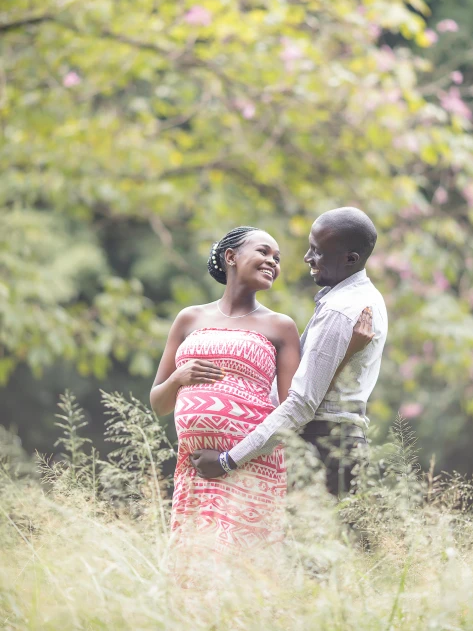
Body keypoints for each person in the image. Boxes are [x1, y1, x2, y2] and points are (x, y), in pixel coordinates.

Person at [150, 225, 372, 550]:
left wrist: (348, 350)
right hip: (195, 466)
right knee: (192, 560)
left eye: (277, 258)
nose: (273, 261)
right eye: (264, 252)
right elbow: (158, 403)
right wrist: (179, 378)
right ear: (231, 257)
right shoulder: (189, 318)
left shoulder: (280, 327)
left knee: (243, 568)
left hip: (250, 464)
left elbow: (297, 404)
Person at [190, 207, 388, 498]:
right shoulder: (361, 298)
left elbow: (302, 404)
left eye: (318, 251)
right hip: (336, 446)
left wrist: (227, 460)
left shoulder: (340, 311)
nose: (308, 258)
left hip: (324, 450)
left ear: (350, 259)